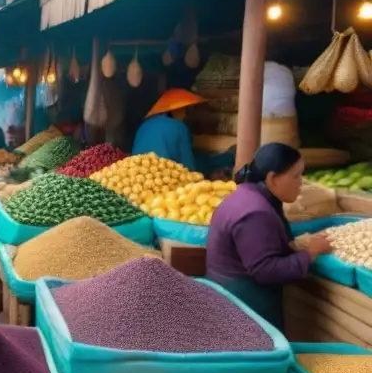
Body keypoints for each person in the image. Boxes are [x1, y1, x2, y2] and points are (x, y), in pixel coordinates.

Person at [206, 143, 333, 330]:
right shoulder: (256, 213)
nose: (301, 183)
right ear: (273, 178)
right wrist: (310, 253)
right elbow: (266, 270)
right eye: (295, 176)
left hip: (229, 299)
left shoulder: (247, 195)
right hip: (243, 308)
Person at [132, 89, 202, 170]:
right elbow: (188, 165)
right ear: (178, 110)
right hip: (164, 176)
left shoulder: (144, 125)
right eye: (186, 109)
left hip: (136, 175)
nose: (187, 114)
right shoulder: (180, 127)